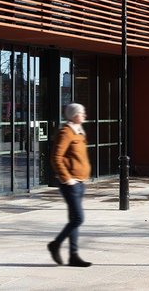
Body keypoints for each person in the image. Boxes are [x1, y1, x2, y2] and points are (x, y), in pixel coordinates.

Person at [47, 102, 92, 267]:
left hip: (80, 182)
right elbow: (56, 157)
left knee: (74, 218)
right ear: (74, 115)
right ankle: (55, 244)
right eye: (82, 112)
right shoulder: (66, 132)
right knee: (78, 218)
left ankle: (73, 255)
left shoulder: (79, 132)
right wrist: (67, 178)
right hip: (70, 183)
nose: (84, 115)